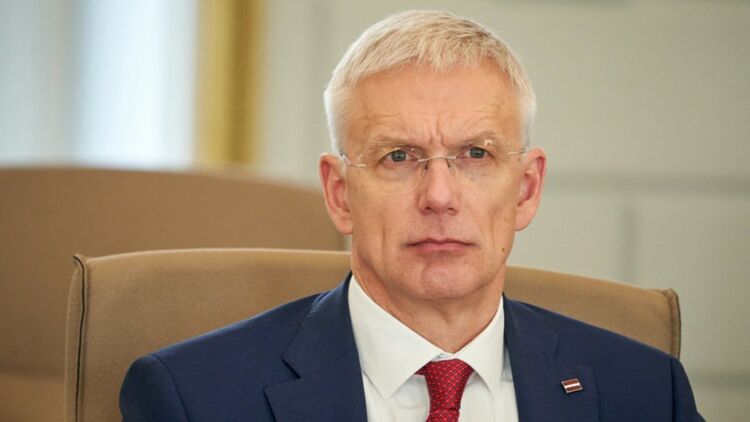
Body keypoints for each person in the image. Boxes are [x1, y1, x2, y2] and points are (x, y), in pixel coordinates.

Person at [120, 10, 702, 421]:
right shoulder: (194, 397)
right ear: (340, 194)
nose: (439, 196)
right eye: (399, 157)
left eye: (476, 154)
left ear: (526, 189)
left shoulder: (648, 392)